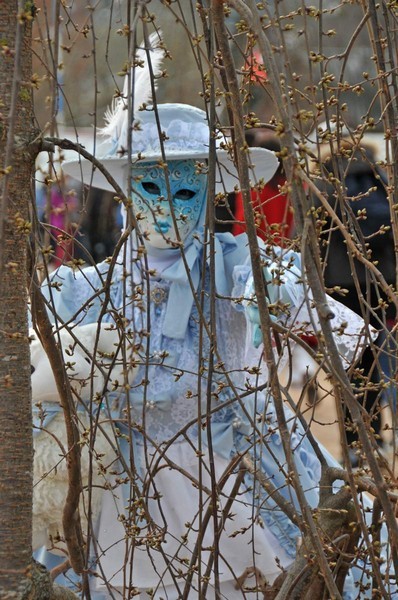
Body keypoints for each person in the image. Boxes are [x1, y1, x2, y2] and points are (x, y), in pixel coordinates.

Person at [34, 40, 375, 599]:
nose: (168, 205)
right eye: (149, 186)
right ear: (124, 191)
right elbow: (36, 370)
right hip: (132, 488)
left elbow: (348, 340)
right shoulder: (90, 288)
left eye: (186, 188)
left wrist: (273, 310)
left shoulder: (247, 269)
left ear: (210, 189)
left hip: (241, 472)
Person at [314, 136, 396, 460]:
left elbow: (311, 243)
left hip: (340, 288)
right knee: (381, 359)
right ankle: (379, 437)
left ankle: (355, 442)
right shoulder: (381, 184)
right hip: (380, 283)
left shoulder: (322, 186)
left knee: (349, 367)